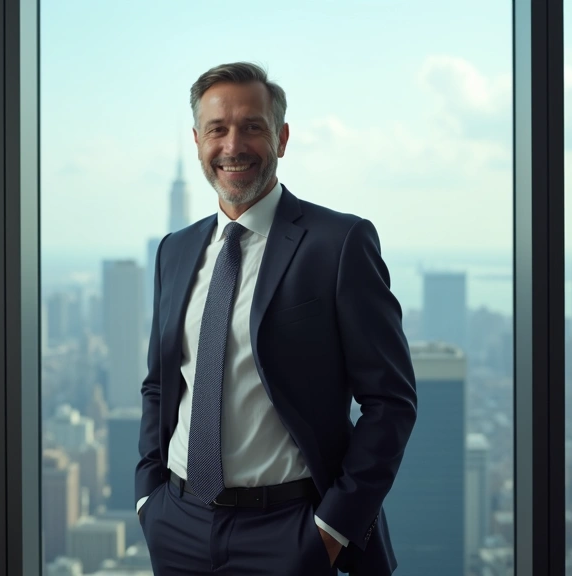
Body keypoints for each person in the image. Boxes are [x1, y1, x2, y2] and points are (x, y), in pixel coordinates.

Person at [135, 61, 417, 575]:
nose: (233, 145)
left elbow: (390, 403)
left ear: (282, 138)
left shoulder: (338, 244)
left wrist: (329, 531)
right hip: (176, 524)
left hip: (288, 532)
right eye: (217, 129)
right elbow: (160, 385)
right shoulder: (174, 251)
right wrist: (148, 499)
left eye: (252, 127)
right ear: (198, 141)